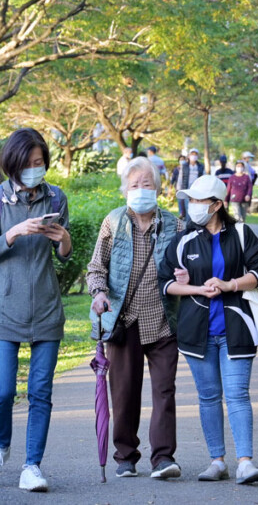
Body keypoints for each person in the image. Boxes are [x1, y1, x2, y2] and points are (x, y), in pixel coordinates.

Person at [158, 175, 258, 485]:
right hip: (197, 332)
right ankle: (217, 460)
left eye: (198, 201)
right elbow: (165, 282)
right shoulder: (183, 240)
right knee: (208, 397)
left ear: (217, 205)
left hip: (237, 328)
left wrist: (230, 284)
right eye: (191, 200)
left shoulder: (241, 233)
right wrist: (194, 287)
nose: (192, 206)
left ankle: (245, 463)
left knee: (237, 395)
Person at [0, 128, 73, 492]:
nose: (36, 169)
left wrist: (64, 240)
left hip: (47, 311)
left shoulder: (56, 197)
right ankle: (0, 446)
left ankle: (32, 465)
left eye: (40, 162)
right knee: (2, 391)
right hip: (5, 311)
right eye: (30, 163)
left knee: (40, 392)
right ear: (13, 164)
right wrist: (14, 232)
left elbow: (64, 259)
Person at [87, 157, 184, 480]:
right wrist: (99, 293)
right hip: (123, 320)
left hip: (163, 320)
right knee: (124, 393)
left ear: (157, 188)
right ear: (124, 190)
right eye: (134, 185)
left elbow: (189, 265)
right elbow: (96, 268)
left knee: (164, 391)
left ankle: (163, 458)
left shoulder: (175, 225)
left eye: (147, 184)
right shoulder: (113, 222)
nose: (141, 190)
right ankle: (125, 456)